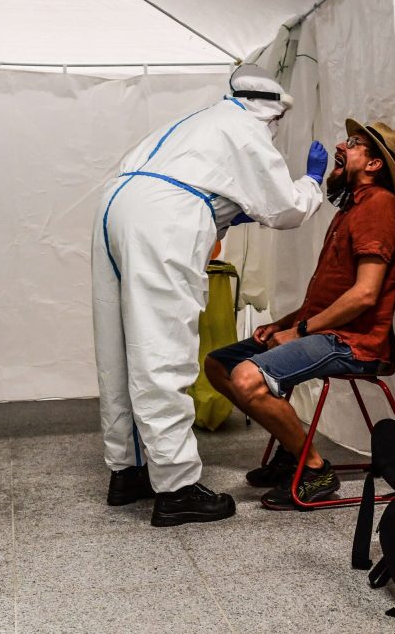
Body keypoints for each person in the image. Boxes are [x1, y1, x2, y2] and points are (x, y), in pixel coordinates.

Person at [92, 64, 327, 527]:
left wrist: (226, 211)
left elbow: (212, 188)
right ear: (271, 112)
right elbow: (286, 209)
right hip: (165, 219)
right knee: (161, 350)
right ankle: (177, 488)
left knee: (117, 348)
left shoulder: (199, 121)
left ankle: (128, 471)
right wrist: (313, 182)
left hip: (116, 206)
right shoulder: (247, 129)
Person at [204, 119, 395, 510]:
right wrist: (282, 325)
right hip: (325, 332)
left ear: (374, 164)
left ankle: (315, 470)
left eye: (354, 143)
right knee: (219, 365)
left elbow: (365, 294)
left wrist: (298, 331)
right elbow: (327, 298)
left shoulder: (379, 206)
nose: (340, 147)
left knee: (246, 378)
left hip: (353, 343)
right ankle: (293, 451)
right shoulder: (351, 210)